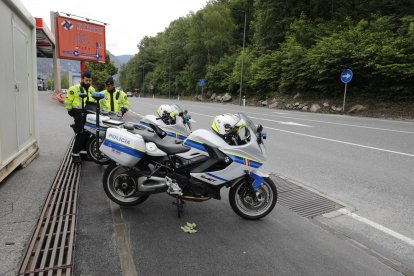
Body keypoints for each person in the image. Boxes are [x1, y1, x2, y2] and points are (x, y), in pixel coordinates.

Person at [64, 70, 96, 163]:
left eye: (90, 80)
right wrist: (70, 111)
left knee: (88, 133)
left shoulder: (92, 89)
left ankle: (83, 154)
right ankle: (75, 154)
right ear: (82, 79)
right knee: (81, 133)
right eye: (87, 80)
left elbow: (94, 102)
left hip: (89, 113)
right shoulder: (74, 89)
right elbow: (68, 101)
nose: (88, 82)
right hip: (78, 112)